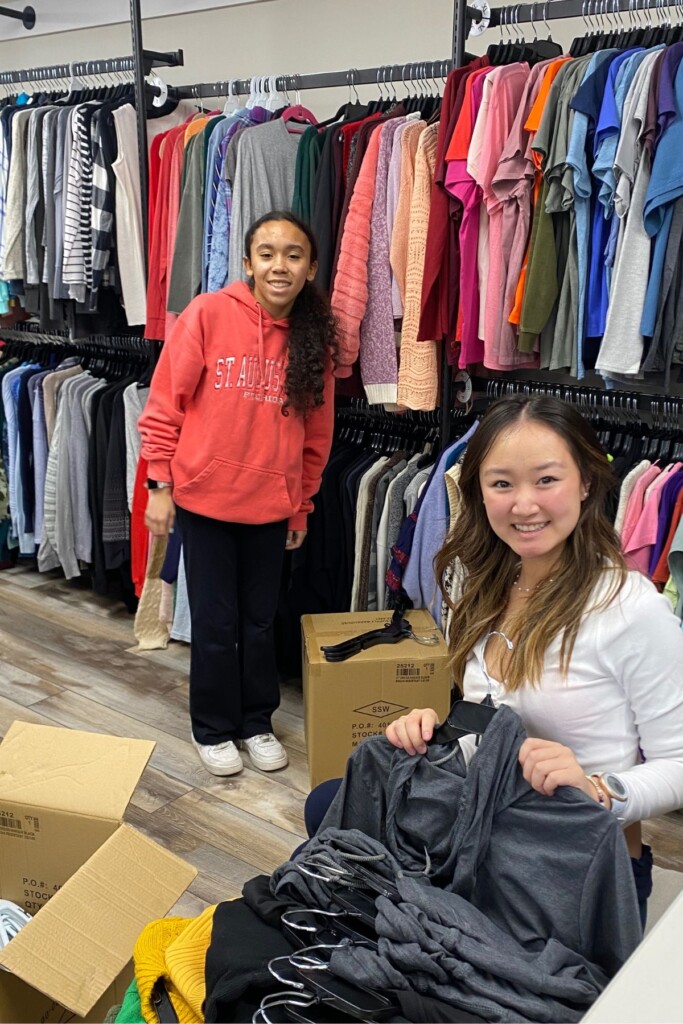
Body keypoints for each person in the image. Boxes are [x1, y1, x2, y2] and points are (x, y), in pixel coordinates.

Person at [304, 395, 683, 926]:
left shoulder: (629, 609)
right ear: (479, 493)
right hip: (485, 820)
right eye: (502, 483)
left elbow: (679, 764)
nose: (524, 505)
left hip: (574, 863)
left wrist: (599, 788)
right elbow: (490, 714)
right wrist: (435, 728)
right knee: (331, 805)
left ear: (588, 484)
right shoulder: (479, 582)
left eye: (546, 480)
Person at [138, 211, 338, 777]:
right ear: (247, 263)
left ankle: (256, 721)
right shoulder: (208, 314)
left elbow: (316, 435)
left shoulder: (314, 339)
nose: (280, 264)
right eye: (268, 252)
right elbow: (164, 405)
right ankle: (214, 728)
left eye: (294, 254)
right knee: (216, 622)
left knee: (259, 622)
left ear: (311, 268)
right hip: (205, 501)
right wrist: (160, 484)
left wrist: (301, 503)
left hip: (271, 507)